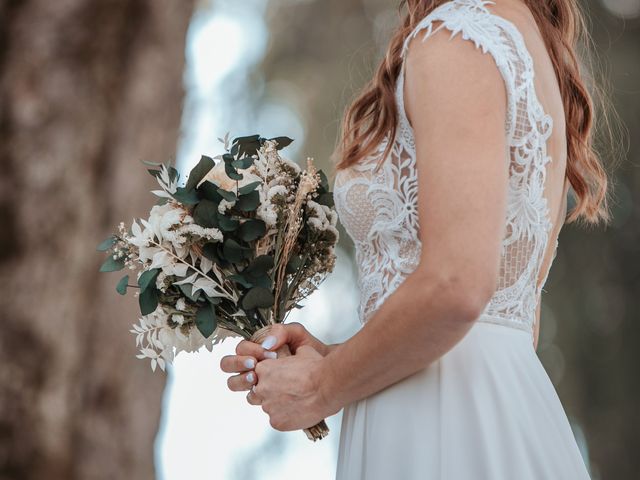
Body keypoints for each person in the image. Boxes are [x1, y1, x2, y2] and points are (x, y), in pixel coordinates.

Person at [219, 0, 612, 477]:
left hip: (445, 422)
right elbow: (500, 318)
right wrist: (335, 360)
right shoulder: (519, 39)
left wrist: (321, 386)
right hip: (486, 405)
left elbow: (458, 285)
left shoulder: (458, 40)